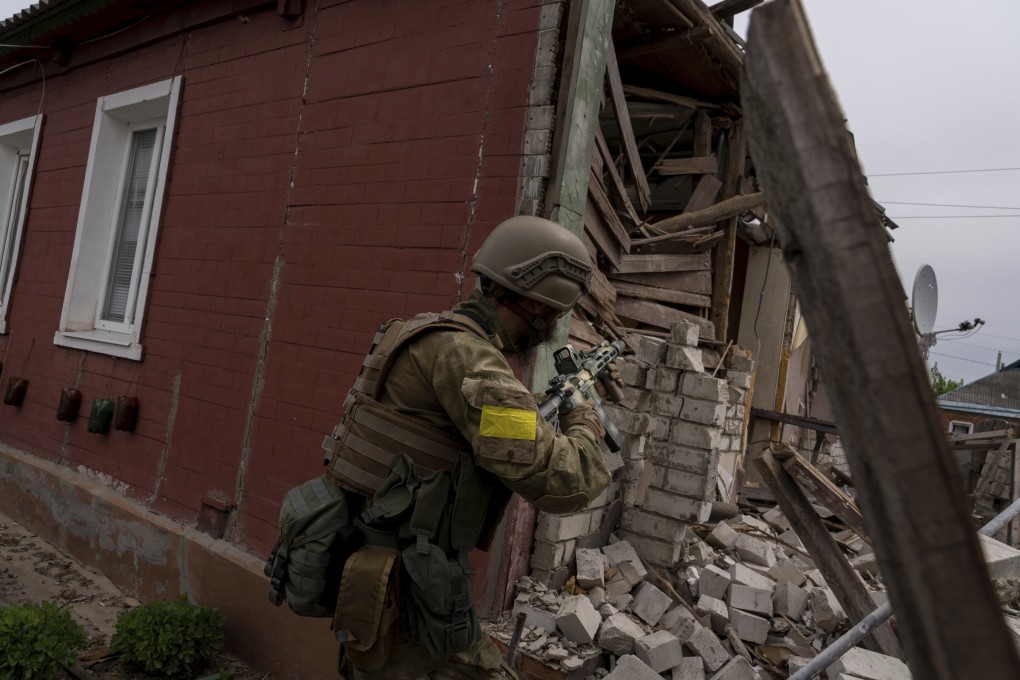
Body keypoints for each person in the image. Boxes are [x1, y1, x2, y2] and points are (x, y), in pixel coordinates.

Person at [322, 215, 612, 680]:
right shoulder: (470, 358)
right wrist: (583, 419)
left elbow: (468, 425)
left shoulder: (421, 332)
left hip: (377, 569)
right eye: (556, 315)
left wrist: (538, 404)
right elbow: (566, 481)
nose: (553, 327)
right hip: (412, 589)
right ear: (536, 304)